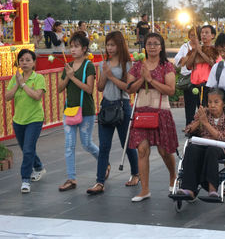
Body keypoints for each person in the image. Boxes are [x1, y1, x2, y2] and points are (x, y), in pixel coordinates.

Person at [127, 33, 178, 202]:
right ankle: (145, 189)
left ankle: (173, 176)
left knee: (164, 151)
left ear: (161, 47)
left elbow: (171, 90)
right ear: (145, 46)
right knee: (142, 150)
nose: (152, 46)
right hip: (141, 112)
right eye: (149, 43)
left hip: (161, 111)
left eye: (156, 44)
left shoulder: (167, 66)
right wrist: (143, 77)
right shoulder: (137, 66)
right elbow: (130, 89)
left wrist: (151, 80)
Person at [86, 31, 139, 195]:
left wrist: (111, 76)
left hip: (122, 105)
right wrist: (104, 74)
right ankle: (99, 181)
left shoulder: (128, 65)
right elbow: (100, 88)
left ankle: (136, 173)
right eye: (108, 45)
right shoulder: (104, 63)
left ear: (119, 45)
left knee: (127, 144)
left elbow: (128, 89)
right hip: (107, 105)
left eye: (112, 45)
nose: (109, 48)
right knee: (104, 146)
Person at [57, 31, 99, 192]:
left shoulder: (88, 66)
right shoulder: (67, 66)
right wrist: (68, 76)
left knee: (87, 144)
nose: (73, 50)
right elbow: (60, 88)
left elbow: (89, 89)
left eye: (76, 47)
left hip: (86, 111)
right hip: (69, 110)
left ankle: (103, 162)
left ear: (84, 49)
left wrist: (73, 77)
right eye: (71, 47)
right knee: (69, 145)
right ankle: (71, 178)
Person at [177, 88, 225, 199]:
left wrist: (205, 123)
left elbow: (224, 138)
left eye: (216, 102)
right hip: (202, 144)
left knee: (212, 150)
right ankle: (189, 189)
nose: (212, 105)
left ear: (223, 103)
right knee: (191, 149)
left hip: (221, 147)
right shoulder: (204, 113)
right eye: (209, 102)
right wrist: (199, 121)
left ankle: (212, 189)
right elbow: (188, 130)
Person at [5, 49, 47, 193]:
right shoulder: (15, 78)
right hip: (18, 120)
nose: (24, 63)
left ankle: (25, 180)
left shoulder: (38, 78)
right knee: (26, 149)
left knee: (28, 149)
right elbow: (7, 96)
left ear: (34, 63)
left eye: (28, 60)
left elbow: (36, 96)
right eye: (22, 60)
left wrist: (23, 84)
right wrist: (17, 83)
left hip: (34, 119)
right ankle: (39, 167)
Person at [186, 25, 219, 108]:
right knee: (194, 113)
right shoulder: (195, 49)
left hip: (208, 86)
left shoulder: (216, 51)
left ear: (213, 36)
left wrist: (201, 53)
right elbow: (188, 65)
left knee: (206, 112)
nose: (203, 35)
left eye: (206, 33)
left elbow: (214, 64)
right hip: (195, 86)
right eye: (202, 33)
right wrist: (195, 51)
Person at [174, 27, 200, 125]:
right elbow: (178, 61)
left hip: (201, 81)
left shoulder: (203, 47)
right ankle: (189, 127)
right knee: (190, 107)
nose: (193, 38)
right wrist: (190, 55)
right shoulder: (184, 47)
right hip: (189, 81)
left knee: (202, 106)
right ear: (189, 36)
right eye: (192, 35)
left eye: (196, 35)